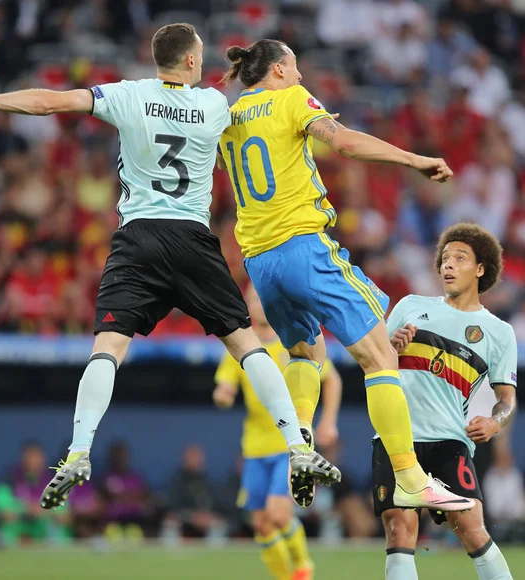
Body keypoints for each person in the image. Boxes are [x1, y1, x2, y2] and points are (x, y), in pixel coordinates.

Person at [0, 23, 338, 510]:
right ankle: (297, 445)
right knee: (248, 345)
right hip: (192, 238)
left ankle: (79, 451)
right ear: (191, 62)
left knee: (107, 348)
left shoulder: (127, 95)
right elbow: (261, 114)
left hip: (138, 239)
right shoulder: (213, 105)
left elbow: (49, 102)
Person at [217, 39, 473, 512]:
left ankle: (299, 446)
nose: (299, 75)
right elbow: (345, 141)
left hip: (258, 260)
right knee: (380, 359)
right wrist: (415, 160)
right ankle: (411, 477)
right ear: (276, 69)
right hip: (302, 246)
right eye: (294, 66)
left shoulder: (227, 117)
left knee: (303, 351)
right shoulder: (289, 98)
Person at [373, 223, 516, 580]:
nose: (447, 265)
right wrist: (392, 349)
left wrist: (495, 422)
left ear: (481, 269)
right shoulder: (409, 306)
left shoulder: (498, 331)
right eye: (444, 258)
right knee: (400, 532)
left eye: (460, 257)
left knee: (472, 531)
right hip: (396, 439)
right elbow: (374, 364)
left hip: (451, 441)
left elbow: (507, 399)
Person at [213, 285, 342, 580]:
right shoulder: (240, 344)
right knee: (260, 523)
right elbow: (226, 382)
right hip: (255, 447)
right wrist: (224, 392)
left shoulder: (292, 340)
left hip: (290, 447)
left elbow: (331, 378)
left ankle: (303, 569)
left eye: (261, 297)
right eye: (251, 299)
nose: (256, 304)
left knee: (279, 515)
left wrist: (328, 422)